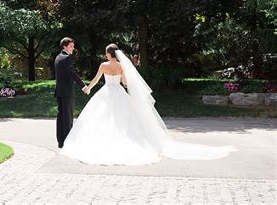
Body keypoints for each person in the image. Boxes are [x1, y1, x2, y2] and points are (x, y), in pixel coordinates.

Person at [60, 43, 237, 165]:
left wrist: (87, 88)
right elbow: (126, 83)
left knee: (101, 119)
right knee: (125, 120)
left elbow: (96, 80)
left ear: (108, 54)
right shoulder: (121, 66)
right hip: (119, 93)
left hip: (106, 93)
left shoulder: (103, 65)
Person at [54, 37, 88, 148]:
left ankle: (61, 141)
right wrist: (83, 87)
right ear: (64, 46)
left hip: (59, 92)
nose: (73, 48)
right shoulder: (66, 58)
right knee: (68, 118)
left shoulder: (58, 58)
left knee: (61, 117)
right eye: (71, 46)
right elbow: (73, 74)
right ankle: (68, 142)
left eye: (73, 46)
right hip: (67, 92)